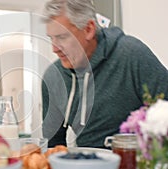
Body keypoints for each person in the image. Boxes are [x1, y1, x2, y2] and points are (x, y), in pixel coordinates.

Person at [41, 0, 168, 148]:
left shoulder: (132, 55)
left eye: (62, 37)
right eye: (51, 38)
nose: (54, 49)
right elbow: (54, 146)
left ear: (88, 29)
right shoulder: (53, 78)